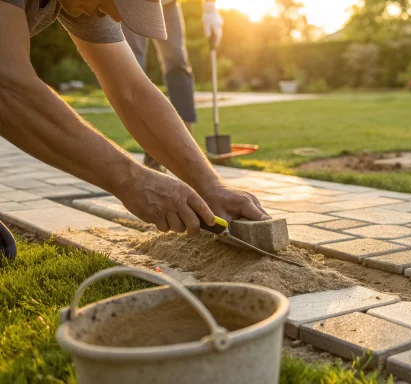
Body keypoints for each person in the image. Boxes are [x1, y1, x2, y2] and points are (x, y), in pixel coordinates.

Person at [0, 0, 271, 250]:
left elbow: (132, 91)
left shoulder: (90, 5)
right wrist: (132, 180)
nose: (116, 16)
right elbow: (8, 86)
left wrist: (210, 186)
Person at [122, 0, 222, 172]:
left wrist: (210, 8)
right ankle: (152, 151)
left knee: (177, 63)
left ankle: (187, 150)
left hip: (167, 5)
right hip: (132, 3)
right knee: (134, 66)